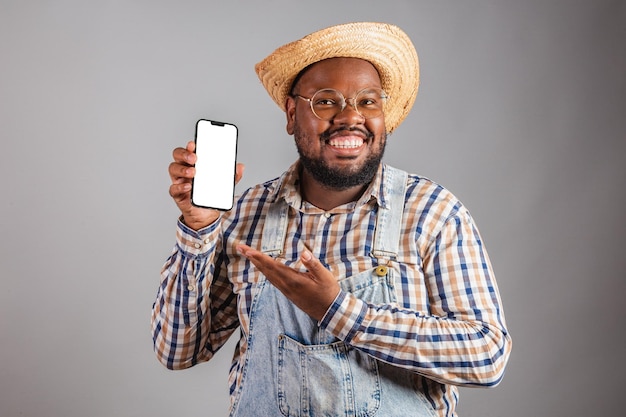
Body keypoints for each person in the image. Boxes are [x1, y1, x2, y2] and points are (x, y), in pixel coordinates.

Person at [152, 22, 512, 417]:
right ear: (292, 114)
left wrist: (341, 313)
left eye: (368, 102)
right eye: (326, 102)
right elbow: (178, 351)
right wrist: (199, 230)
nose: (350, 117)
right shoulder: (249, 215)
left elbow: (486, 354)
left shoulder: (431, 211)